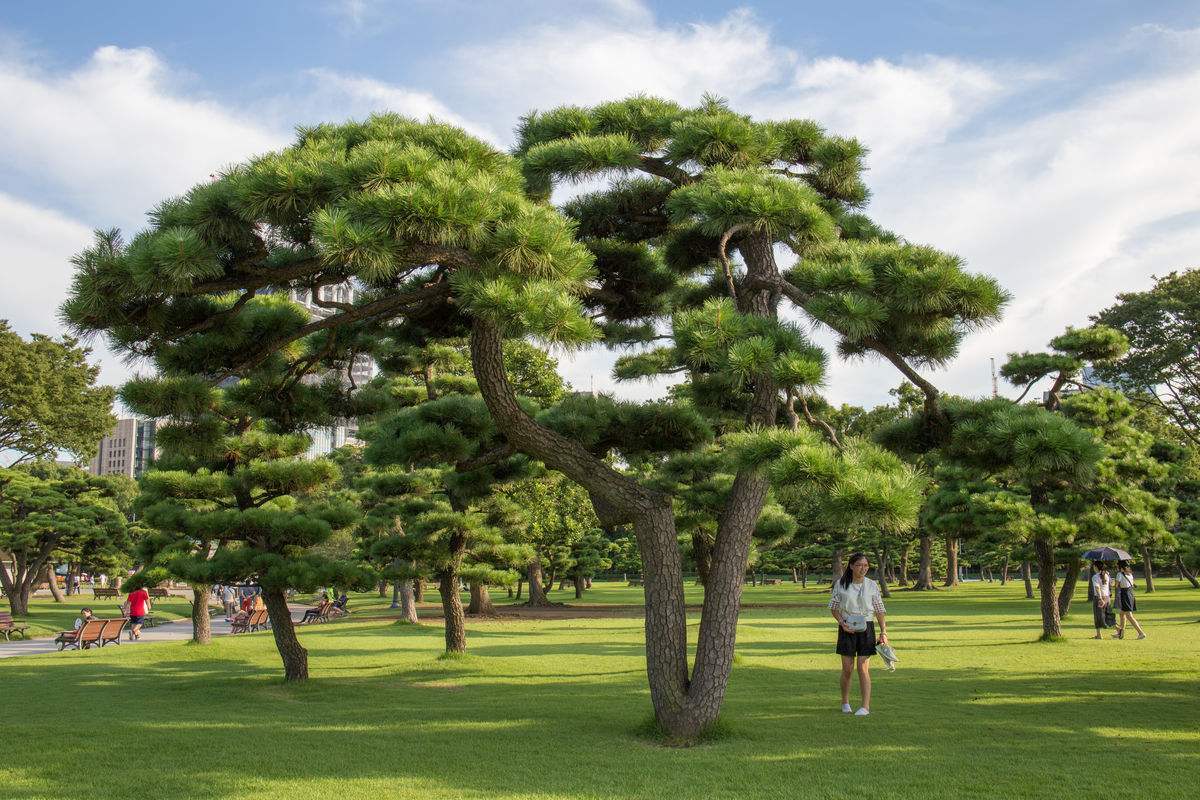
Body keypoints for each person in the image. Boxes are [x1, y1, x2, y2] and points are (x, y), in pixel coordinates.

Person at [828, 552, 888, 716]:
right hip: (847, 626)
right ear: (852, 566)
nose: (863, 568)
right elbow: (834, 608)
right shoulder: (841, 584)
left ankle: (865, 706)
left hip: (867, 627)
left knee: (863, 667)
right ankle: (845, 702)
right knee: (847, 669)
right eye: (860, 565)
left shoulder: (872, 585)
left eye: (866, 565)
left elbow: (879, 610)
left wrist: (883, 631)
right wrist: (842, 623)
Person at [1112, 560, 1147, 640]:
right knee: (1121, 614)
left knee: (1129, 616)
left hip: (1124, 595)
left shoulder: (1119, 574)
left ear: (1121, 568)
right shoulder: (1130, 575)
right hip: (1130, 594)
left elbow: (1117, 586)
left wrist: (1112, 583)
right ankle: (1120, 633)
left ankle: (1141, 633)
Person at [1090, 561, 1113, 639]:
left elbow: (1097, 588)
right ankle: (1118, 629)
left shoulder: (1095, 577)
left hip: (1099, 598)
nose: (1093, 568)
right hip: (1107, 597)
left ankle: (1099, 635)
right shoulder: (1107, 575)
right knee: (1107, 615)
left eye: (1094, 566)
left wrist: (1100, 598)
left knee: (1098, 616)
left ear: (1096, 567)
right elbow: (1111, 584)